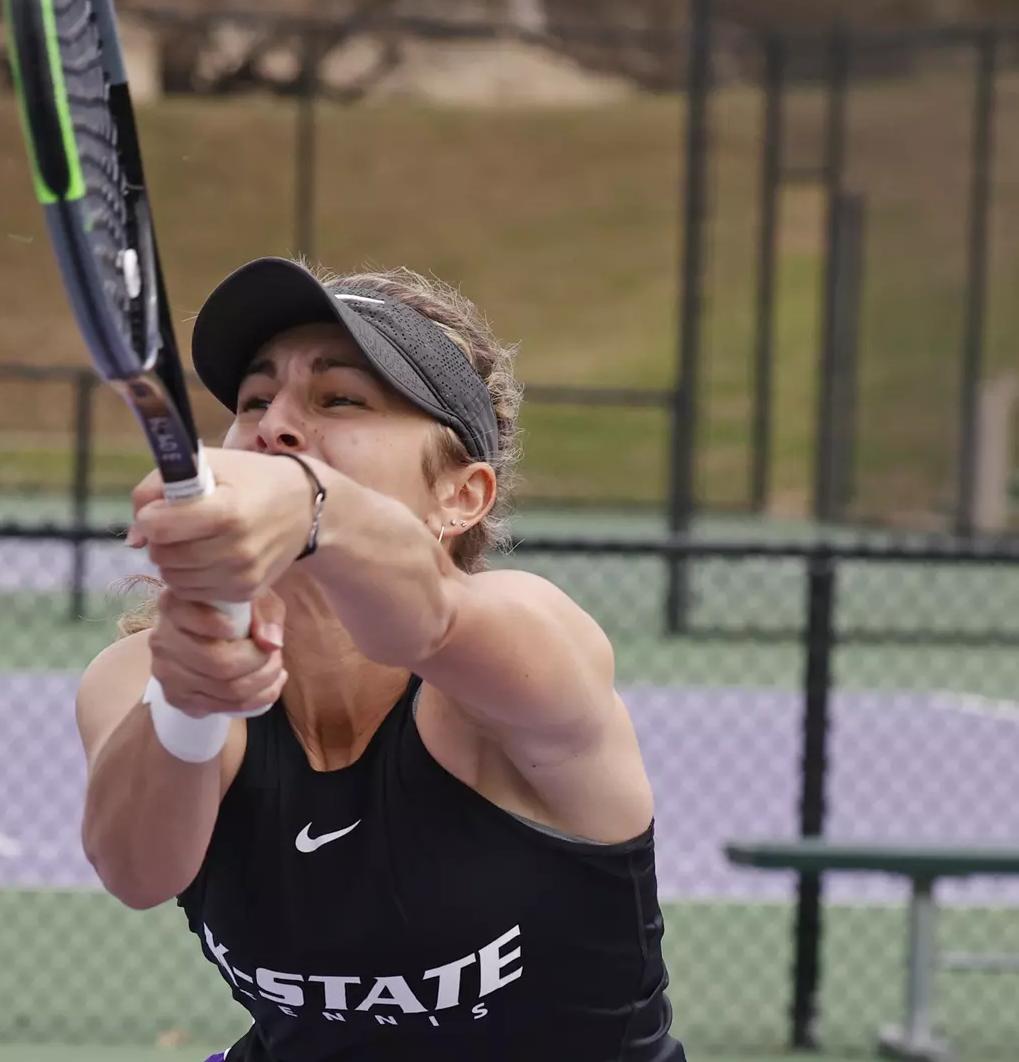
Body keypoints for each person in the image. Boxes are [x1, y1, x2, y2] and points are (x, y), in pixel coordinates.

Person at [77, 257, 685, 1060]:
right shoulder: (141, 677)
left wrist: (305, 500)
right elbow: (138, 872)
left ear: (461, 497)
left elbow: (426, 620)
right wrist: (189, 703)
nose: (276, 423)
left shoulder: (529, 647)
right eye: (255, 400)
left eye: (340, 399)